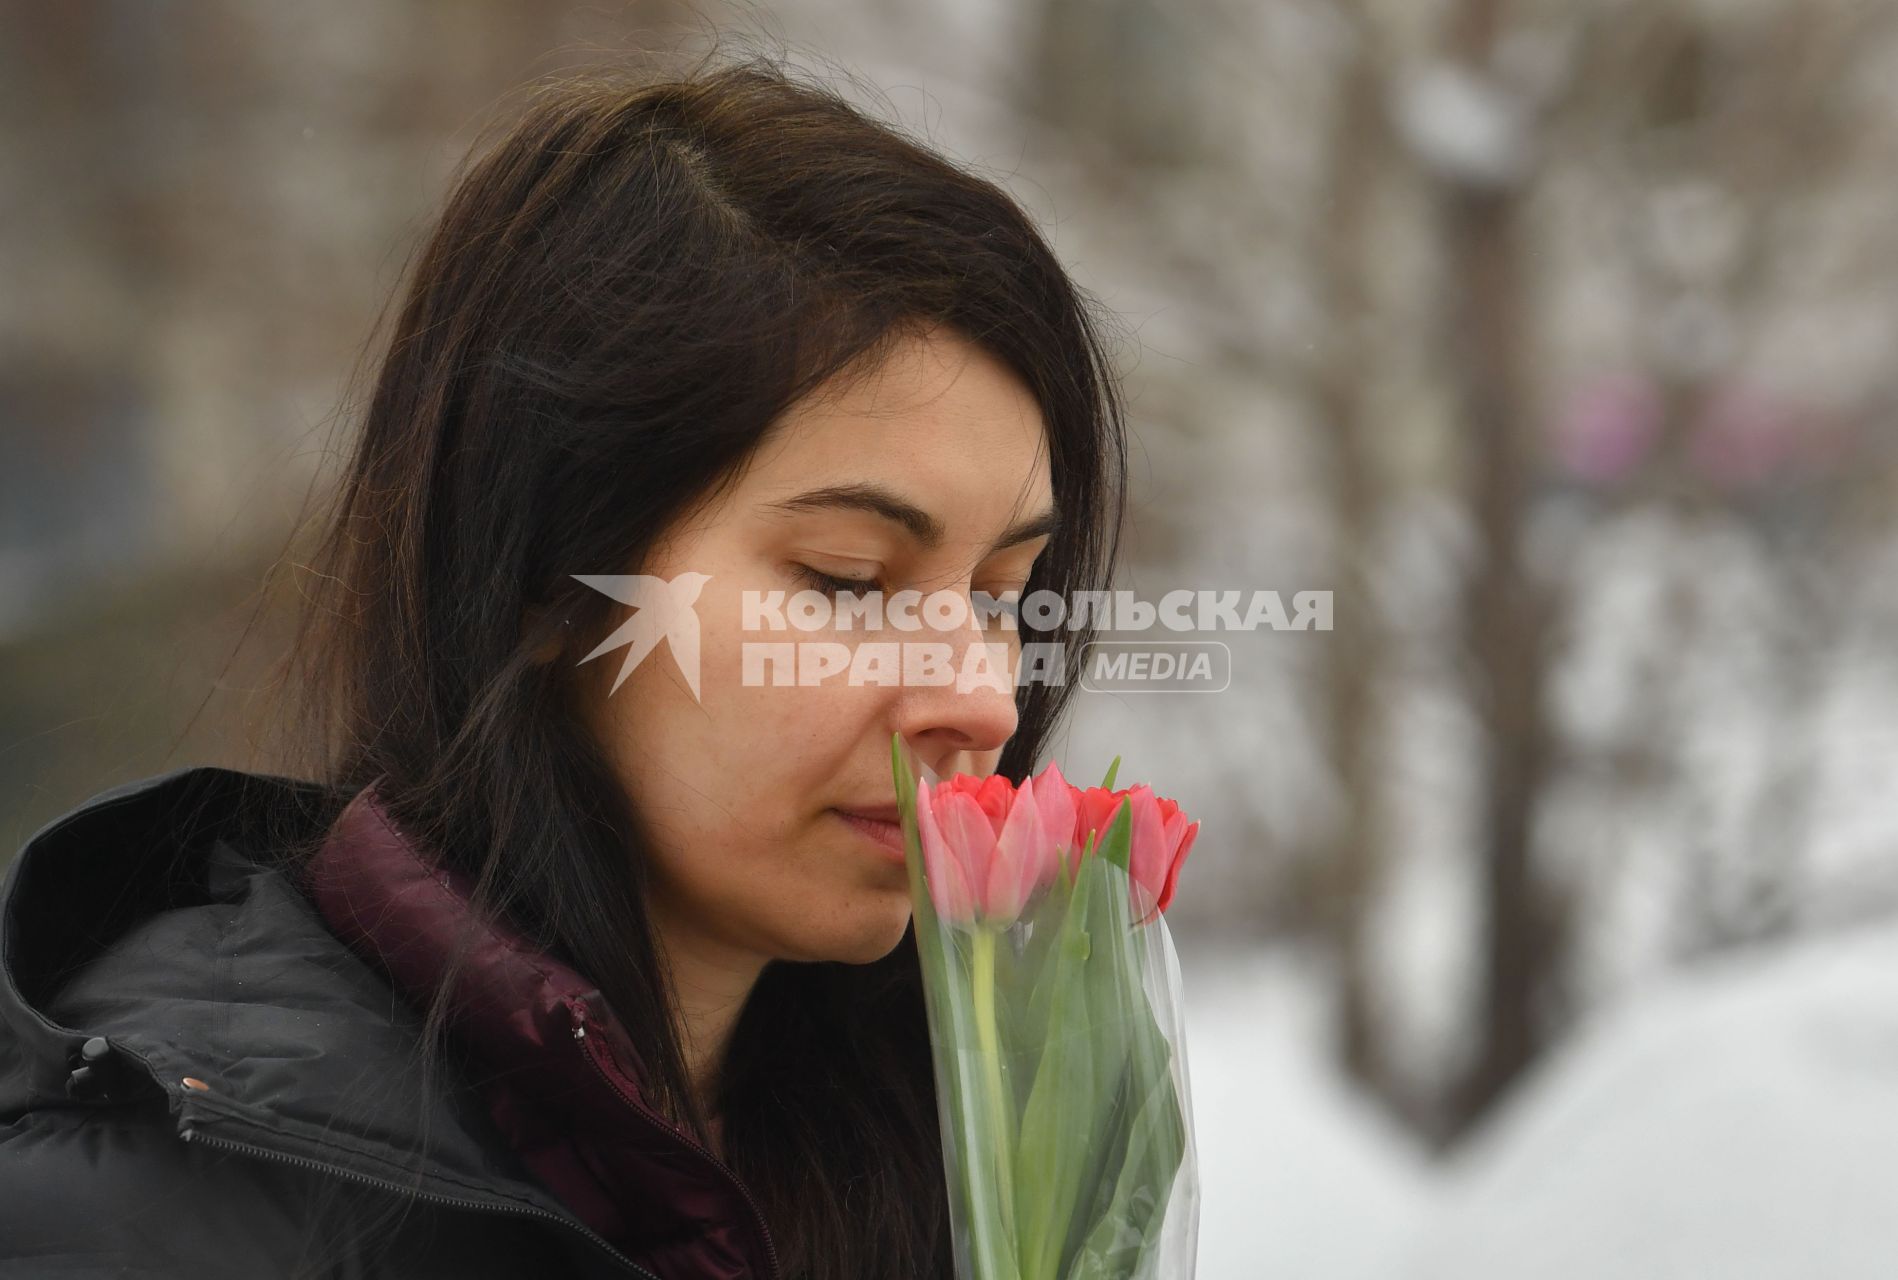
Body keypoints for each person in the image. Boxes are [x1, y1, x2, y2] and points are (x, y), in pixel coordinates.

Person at [0, 52, 1129, 1279]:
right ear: (546, 577)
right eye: (848, 580)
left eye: (1000, 594)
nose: (978, 696)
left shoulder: (992, 1169)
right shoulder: (141, 1215)